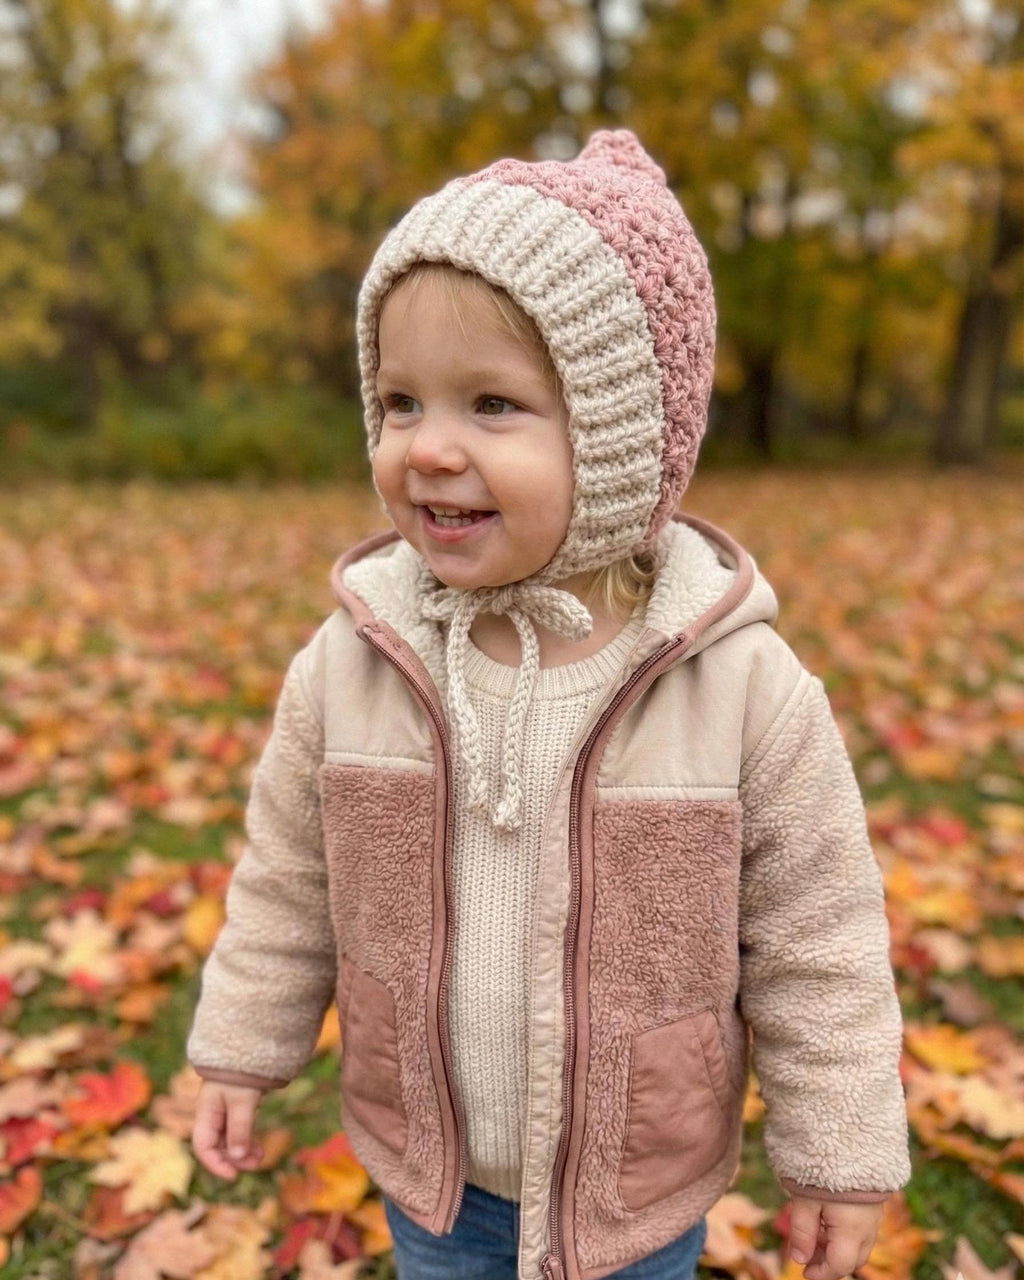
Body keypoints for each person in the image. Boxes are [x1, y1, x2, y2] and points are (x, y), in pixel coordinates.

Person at [186, 129, 911, 1280]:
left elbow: (818, 939)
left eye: (490, 404)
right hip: (435, 1170)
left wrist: (838, 1150)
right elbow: (288, 879)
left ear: (623, 440)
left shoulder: (735, 686)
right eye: (398, 400)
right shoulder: (353, 660)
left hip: (635, 1184)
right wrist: (239, 1048)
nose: (427, 447)